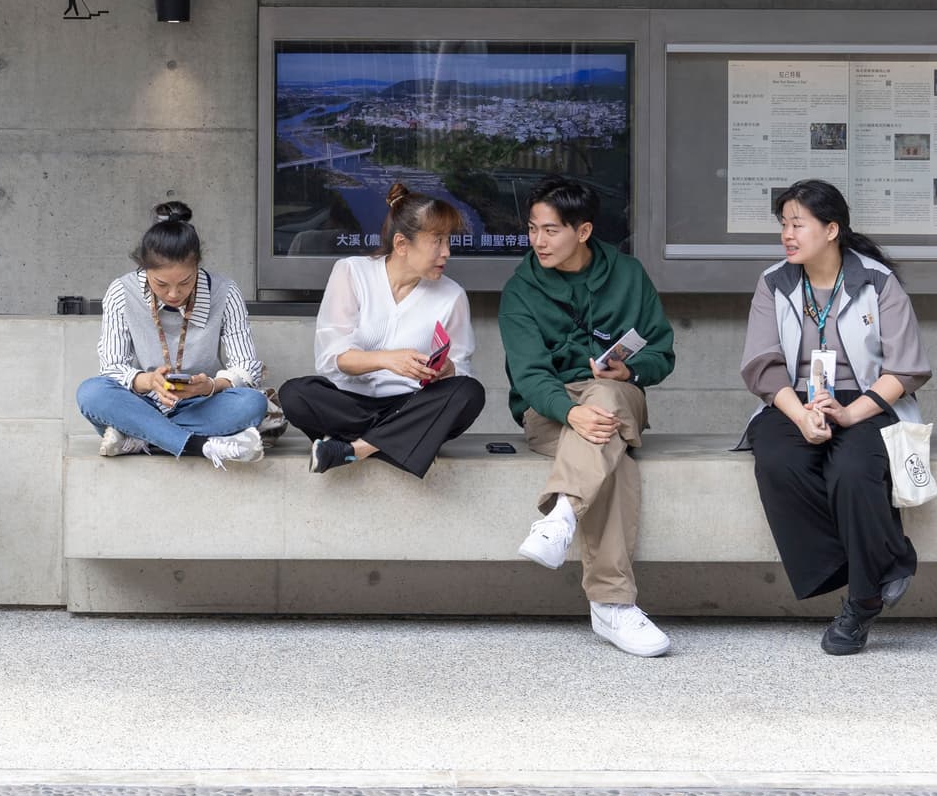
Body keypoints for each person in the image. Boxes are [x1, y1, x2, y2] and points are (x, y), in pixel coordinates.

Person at [740, 179, 930, 656]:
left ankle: (861, 602)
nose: (787, 235)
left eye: (797, 224)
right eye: (783, 224)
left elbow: (905, 369)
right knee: (779, 462)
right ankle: (884, 560)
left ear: (831, 229)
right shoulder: (774, 283)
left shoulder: (877, 281)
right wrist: (801, 416)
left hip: (869, 399)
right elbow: (763, 365)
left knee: (852, 469)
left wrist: (848, 414)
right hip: (794, 398)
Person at [500, 176, 677, 658]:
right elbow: (530, 376)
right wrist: (571, 411)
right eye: (532, 229)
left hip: (619, 397)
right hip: (551, 410)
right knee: (616, 465)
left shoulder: (629, 275)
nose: (538, 241)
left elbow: (662, 352)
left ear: (583, 231)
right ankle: (612, 605)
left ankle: (561, 516)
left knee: (606, 391)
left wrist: (631, 369)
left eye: (550, 230)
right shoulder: (519, 290)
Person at [278, 182, 485, 477]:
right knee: (294, 393)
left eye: (448, 241)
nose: (446, 252)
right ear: (401, 244)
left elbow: (462, 370)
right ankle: (407, 442)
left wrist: (447, 369)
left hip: (410, 405)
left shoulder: (452, 296)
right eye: (437, 241)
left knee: (469, 393)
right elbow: (331, 358)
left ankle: (355, 449)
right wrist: (387, 359)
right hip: (350, 404)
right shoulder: (352, 272)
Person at [78, 201, 268, 469]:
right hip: (140, 402)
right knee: (92, 393)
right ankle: (201, 445)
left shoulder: (225, 292)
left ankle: (138, 438)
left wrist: (209, 386)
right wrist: (148, 381)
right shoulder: (122, 291)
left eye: (186, 282)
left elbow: (247, 368)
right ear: (145, 269)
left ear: (197, 266)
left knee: (252, 404)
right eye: (161, 284)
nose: (173, 294)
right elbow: (112, 368)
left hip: (200, 404)